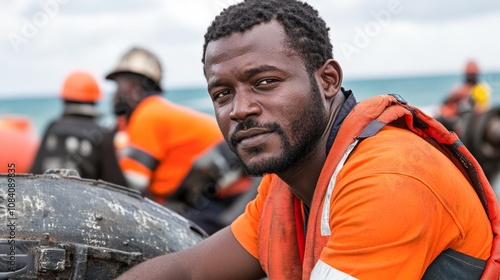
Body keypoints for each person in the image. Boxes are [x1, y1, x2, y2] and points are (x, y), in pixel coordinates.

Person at [117, 1, 500, 279]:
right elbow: (189, 271)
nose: (239, 109)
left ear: (327, 80)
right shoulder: (285, 186)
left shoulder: (389, 178)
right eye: (222, 94)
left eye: (265, 82)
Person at [106, 47, 224, 204]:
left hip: (215, 203)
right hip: (204, 196)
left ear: (136, 90)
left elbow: (132, 188)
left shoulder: (148, 114)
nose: (114, 94)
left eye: (119, 86)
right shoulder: (155, 111)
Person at [30, 70, 126, 186]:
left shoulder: (52, 128)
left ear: (64, 99)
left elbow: (33, 174)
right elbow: (118, 185)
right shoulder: (101, 134)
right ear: (94, 101)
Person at [439, 60, 491, 127]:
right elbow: (444, 105)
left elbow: (481, 110)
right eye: (469, 73)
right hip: (456, 120)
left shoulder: (481, 89)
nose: (470, 76)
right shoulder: (459, 88)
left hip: (469, 124)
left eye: (472, 73)